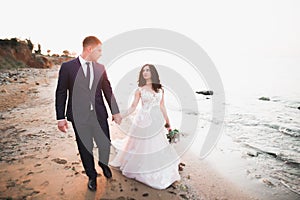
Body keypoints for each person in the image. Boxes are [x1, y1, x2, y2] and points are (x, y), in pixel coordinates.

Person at [55, 36, 121, 191]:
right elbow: (61, 92)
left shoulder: (101, 68)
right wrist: (60, 118)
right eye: (99, 50)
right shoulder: (68, 67)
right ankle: (91, 176)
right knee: (85, 148)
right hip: (79, 117)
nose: (101, 54)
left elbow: (108, 91)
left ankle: (103, 164)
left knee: (105, 144)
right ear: (89, 49)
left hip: (99, 114)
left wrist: (115, 112)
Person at [110, 64, 180, 189]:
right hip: (143, 120)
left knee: (156, 144)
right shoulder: (140, 90)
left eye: (148, 70)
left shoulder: (160, 90)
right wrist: (120, 115)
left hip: (156, 120)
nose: (145, 72)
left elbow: (162, 106)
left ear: (153, 73)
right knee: (142, 146)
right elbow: (133, 107)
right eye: (143, 70)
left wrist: (168, 123)